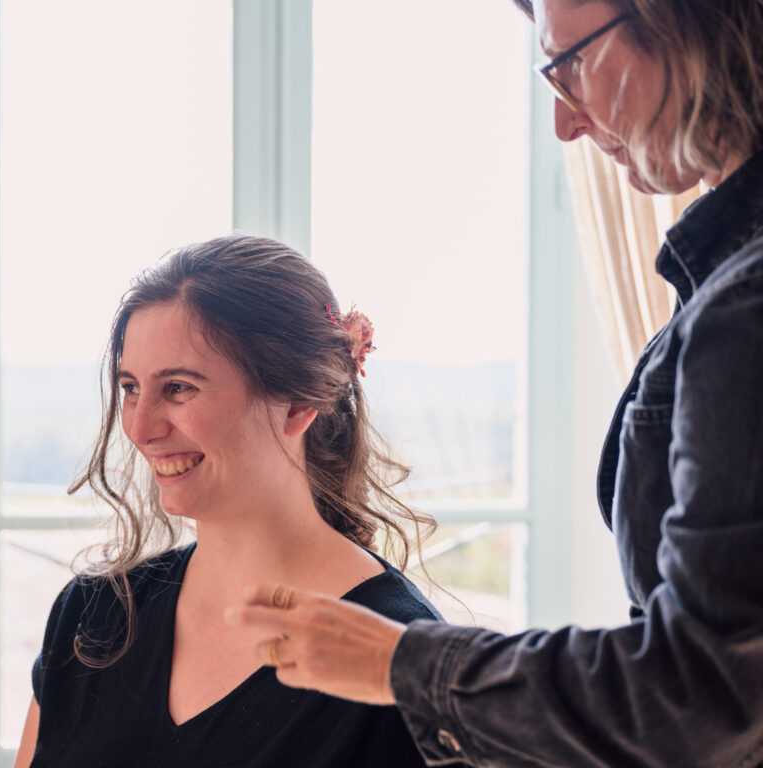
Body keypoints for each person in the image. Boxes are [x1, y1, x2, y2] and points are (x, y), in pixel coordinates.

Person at [227, 1, 763, 766]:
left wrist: (396, 664)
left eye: (569, 62)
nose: (566, 123)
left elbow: (702, 697)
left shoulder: (746, 305)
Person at [13, 234, 443, 768]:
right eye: (129, 388)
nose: (141, 427)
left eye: (178, 388)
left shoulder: (398, 660)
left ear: (298, 404)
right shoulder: (92, 615)